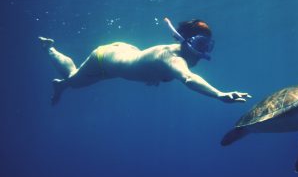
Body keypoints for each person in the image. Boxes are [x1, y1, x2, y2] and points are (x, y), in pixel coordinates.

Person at [39, 17, 251, 105]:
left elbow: (154, 67)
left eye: (207, 45)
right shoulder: (173, 57)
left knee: (74, 81)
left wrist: (152, 74)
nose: (202, 50)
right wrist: (219, 94)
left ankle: (60, 86)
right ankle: (50, 48)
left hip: (123, 56)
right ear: (185, 40)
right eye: (200, 43)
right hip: (104, 59)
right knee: (73, 80)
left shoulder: (181, 55)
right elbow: (188, 78)